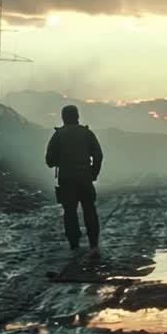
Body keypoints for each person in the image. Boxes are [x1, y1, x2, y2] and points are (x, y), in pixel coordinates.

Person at [46, 105, 104, 255]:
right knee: (90, 210)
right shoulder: (87, 133)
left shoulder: (58, 135)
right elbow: (98, 155)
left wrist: (60, 160)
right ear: (77, 117)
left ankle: (74, 245)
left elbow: (49, 160)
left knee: (70, 213)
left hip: (66, 179)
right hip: (85, 178)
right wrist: (93, 173)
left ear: (63, 117)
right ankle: (93, 245)